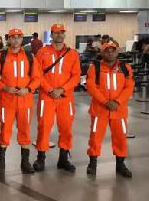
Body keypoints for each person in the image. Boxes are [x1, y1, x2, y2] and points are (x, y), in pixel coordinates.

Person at [0, 28, 41, 174]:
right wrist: (3, 87)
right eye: (13, 37)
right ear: (9, 39)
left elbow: (37, 78)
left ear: (22, 39)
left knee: (25, 131)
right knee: (5, 130)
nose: (16, 40)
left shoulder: (30, 57)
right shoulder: (2, 56)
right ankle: (1, 161)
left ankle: (25, 162)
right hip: (7, 101)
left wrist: (29, 89)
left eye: (19, 37)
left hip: (25, 101)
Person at [33, 24, 80, 173]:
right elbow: (37, 74)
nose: (59, 35)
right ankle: (41, 158)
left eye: (62, 32)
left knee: (66, 127)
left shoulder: (72, 54)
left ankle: (63, 159)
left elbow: (76, 76)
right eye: (56, 32)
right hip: (46, 96)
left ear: (64, 34)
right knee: (44, 126)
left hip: (65, 98)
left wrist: (62, 89)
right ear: (51, 35)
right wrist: (50, 89)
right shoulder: (42, 52)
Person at [86, 42, 134, 178]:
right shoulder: (94, 68)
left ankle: (120, 164)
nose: (110, 53)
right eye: (107, 51)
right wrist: (105, 101)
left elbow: (129, 87)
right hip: (99, 110)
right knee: (95, 137)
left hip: (119, 110)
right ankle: (92, 164)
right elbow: (91, 86)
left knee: (120, 138)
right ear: (102, 53)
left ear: (117, 52)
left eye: (113, 50)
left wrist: (117, 101)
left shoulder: (125, 68)